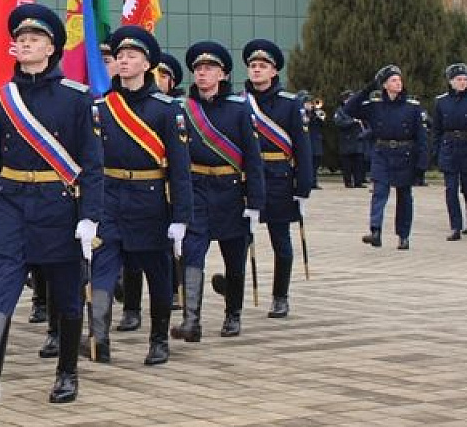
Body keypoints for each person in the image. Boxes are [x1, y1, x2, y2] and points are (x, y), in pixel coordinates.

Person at [0, 3, 103, 405]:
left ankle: (67, 374)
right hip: (11, 206)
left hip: (57, 208)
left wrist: (90, 217)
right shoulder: (1, 100)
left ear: (52, 48)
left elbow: (92, 163)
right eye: (20, 39)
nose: (26, 43)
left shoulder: (77, 98)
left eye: (35, 39)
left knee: (68, 294)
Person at [86, 26, 191, 365]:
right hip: (109, 197)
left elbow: (179, 169)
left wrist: (180, 218)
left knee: (157, 273)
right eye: (120, 56)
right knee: (101, 270)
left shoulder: (167, 110)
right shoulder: (101, 107)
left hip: (149, 202)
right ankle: (98, 338)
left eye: (132, 56)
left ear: (148, 64)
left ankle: (159, 339)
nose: (124, 61)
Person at [170, 42, 265, 342]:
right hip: (196, 190)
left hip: (230, 193)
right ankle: (191, 320)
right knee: (191, 254)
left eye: (209, 69)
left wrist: (255, 202)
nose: (202, 74)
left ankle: (232, 314)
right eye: (198, 69)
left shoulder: (239, 109)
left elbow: (253, 158)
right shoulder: (184, 108)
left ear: (223, 74)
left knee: (233, 258)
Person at [239, 39, 313, 319]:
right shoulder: (240, 103)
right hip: (247, 180)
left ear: (274, 72)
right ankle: (233, 287)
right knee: (238, 239)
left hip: (279, 179)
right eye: (253, 66)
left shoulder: (290, 104)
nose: (256, 70)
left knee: (280, 241)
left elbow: (302, 149)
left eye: (263, 66)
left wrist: (302, 188)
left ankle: (280, 296)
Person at [345, 66, 427, 250]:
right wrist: (367, 89)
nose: (398, 83)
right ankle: (376, 231)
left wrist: (422, 163)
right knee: (379, 192)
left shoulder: (411, 107)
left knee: (404, 197)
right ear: (384, 85)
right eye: (393, 80)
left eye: (399, 80)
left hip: (405, 154)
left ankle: (403, 236)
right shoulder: (374, 105)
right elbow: (349, 109)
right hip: (382, 153)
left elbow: (421, 137)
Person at [432, 64, 467, 240]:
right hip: (449, 146)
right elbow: (437, 130)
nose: (463, 83)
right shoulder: (441, 101)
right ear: (451, 81)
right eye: (459, 80)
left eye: (465, 79)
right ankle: (455, 226)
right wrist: (436, 151)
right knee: (451, 189)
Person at [335, 92, 366, 188]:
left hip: (357, 139)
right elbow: (339, 123)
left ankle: (358, 182)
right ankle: (348, 182)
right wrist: (352, 122)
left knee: (359, 163)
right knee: (347, 164)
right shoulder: (340, 111)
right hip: (346, 140)